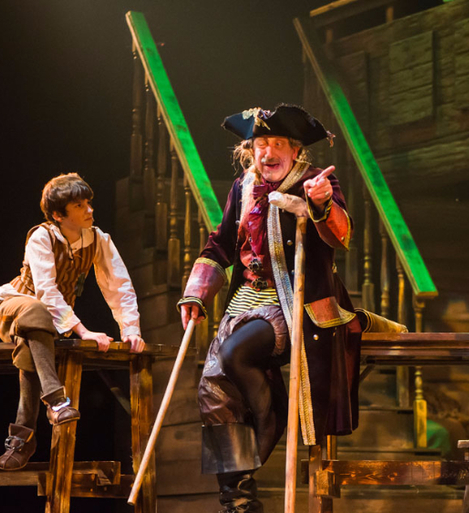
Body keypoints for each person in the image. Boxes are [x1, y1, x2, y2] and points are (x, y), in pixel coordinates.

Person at [178, 104, 361, 512]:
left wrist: (321, 204)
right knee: (213, 389)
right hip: (247, 299)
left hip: (294, 304)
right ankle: (238, 499)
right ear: (251, 151)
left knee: (234, 354)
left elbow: (341, 235)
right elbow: (221, 244)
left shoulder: (314, 181)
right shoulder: (243, 186)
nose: (269, 152)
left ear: (295, 151)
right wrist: (196, 294)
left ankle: (271, 416)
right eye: (261, 144)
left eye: (278, 144)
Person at [0, 173, 145, 470]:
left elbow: (119, 286)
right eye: (79, 205)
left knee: (34, 338)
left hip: (47, 322)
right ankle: (56, 400)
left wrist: (131, 329)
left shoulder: (98, 239)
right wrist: (83, 330)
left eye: (88, 202)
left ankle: (22, 438)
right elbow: (46, 292)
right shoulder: (42, 237)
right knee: (36, 311)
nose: (89, 210)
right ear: (58, 215)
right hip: (12, 308)